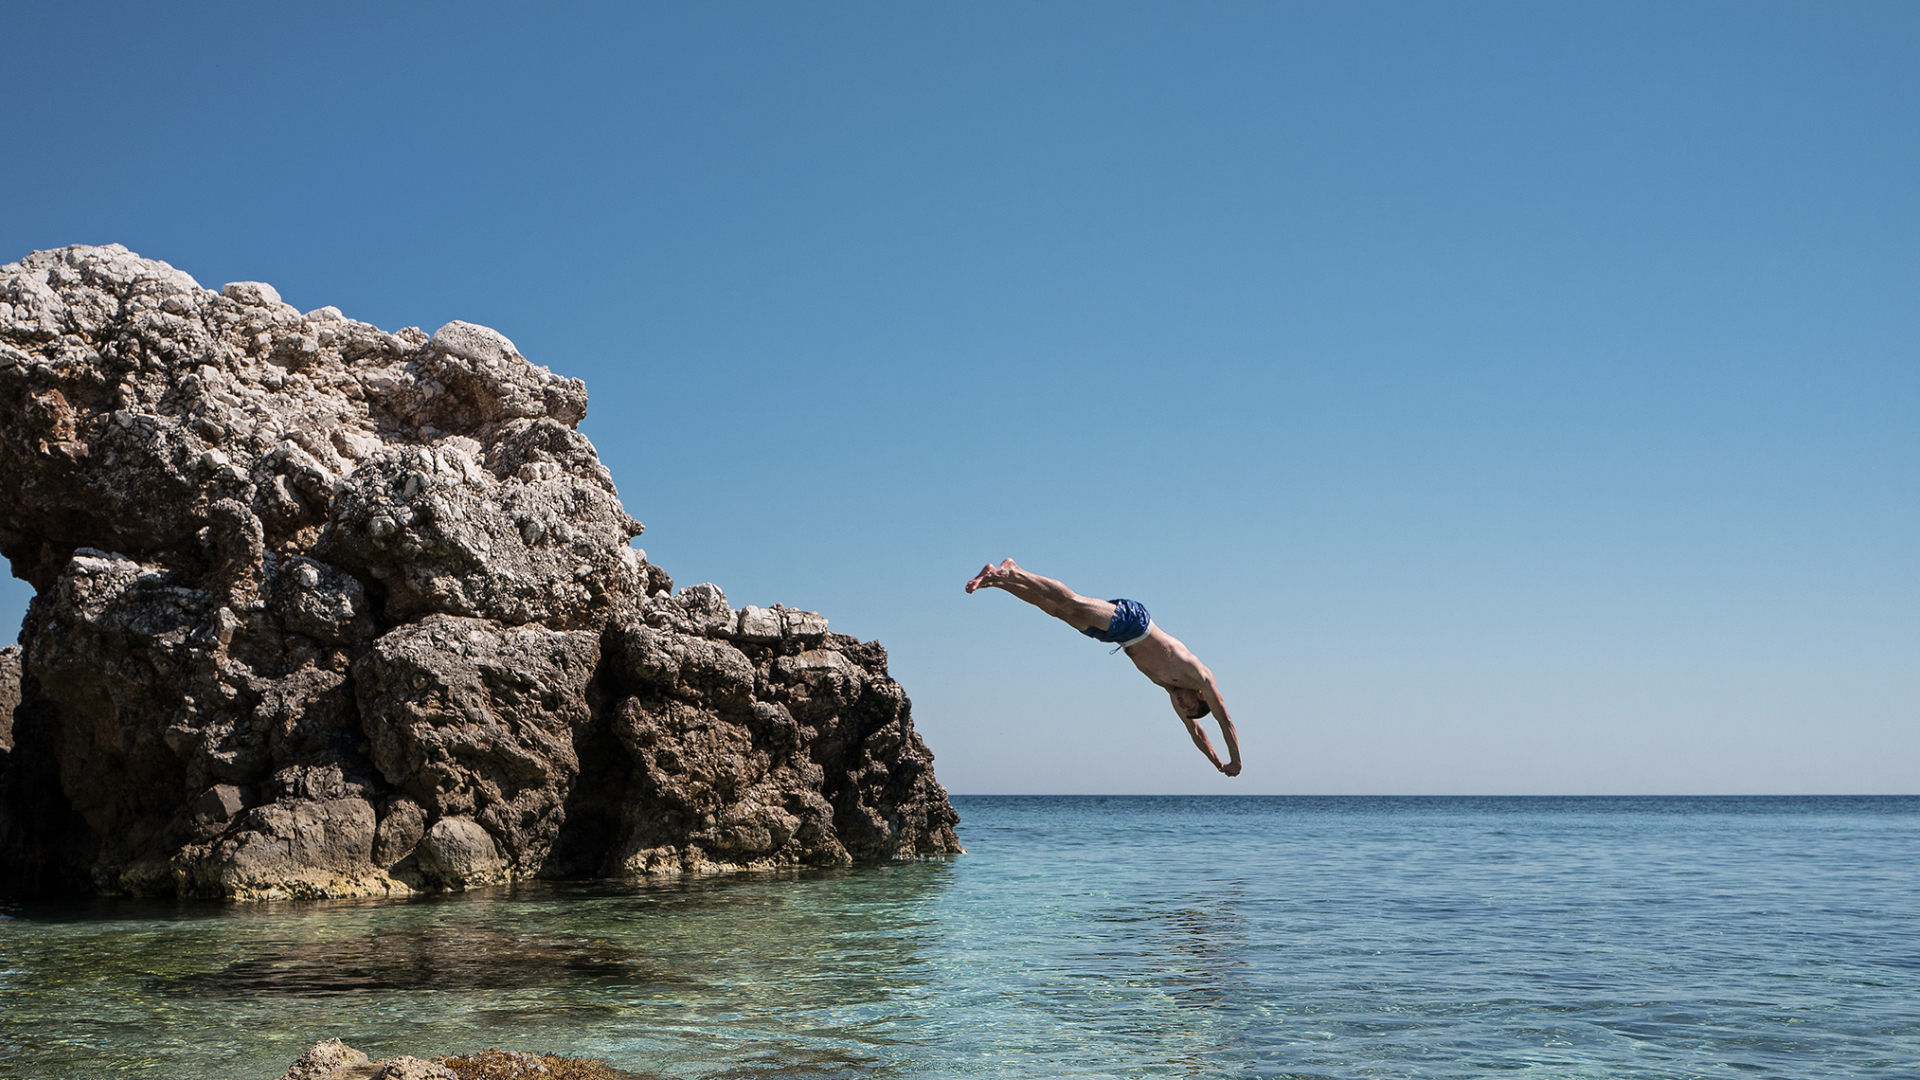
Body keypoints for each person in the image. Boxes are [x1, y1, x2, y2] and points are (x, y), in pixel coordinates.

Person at [965, 558, 1242, 776]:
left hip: (1116, 637)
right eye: (1189, 705)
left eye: (1185, 709)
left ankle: (999, 582)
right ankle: (1013, 571)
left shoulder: (1172, 690)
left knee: (1056, 610)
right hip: (1134, 622)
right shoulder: (1200, 677)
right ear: (1200, 696)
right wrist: (1237, 760)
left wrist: (1217, 761)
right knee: (1071, 601)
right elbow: (1224, 720)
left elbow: (1196, 731)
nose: (1182, 705)